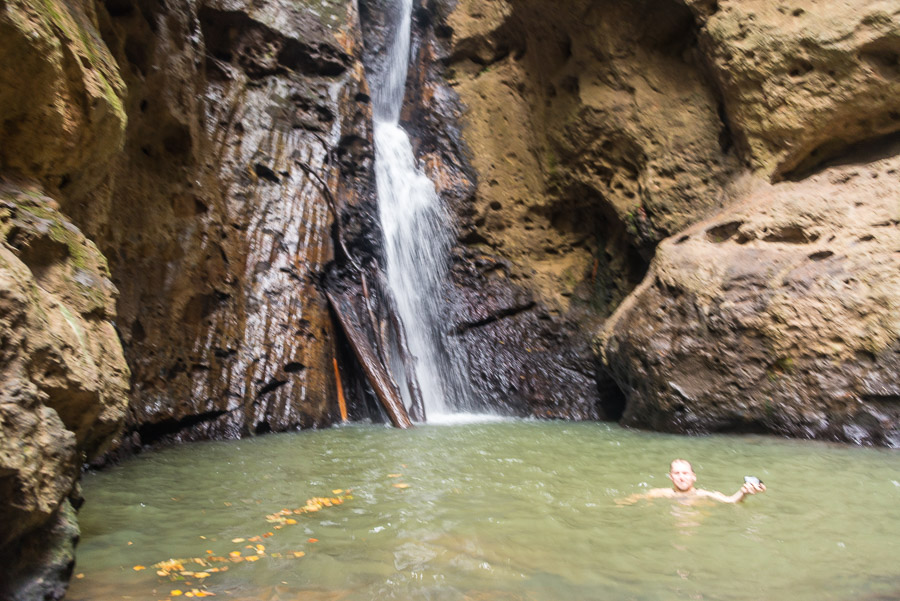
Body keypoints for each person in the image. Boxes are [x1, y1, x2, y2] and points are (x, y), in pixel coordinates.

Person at [617, 458, 766, 505]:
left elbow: (730, 501)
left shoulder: (704, 494)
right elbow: (636, 498)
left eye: (685, 473)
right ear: (671, 477)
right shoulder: (661, 493)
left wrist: (744, 492)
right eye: (677, 473)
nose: (681, 477)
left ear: (694, 476)